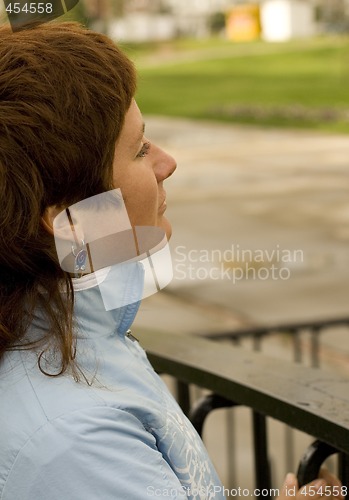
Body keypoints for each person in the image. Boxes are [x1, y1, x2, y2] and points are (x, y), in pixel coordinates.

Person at [0, 21, 343, 500]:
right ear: (70, 223)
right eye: (140, 149)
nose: (167, 162)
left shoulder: (75, 335)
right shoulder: (73, 439)